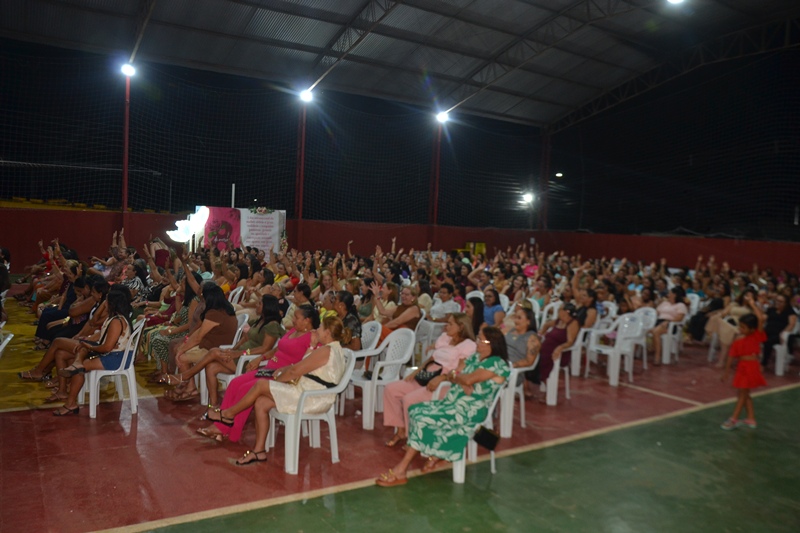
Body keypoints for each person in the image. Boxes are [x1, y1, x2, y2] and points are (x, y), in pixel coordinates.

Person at [204, 315, 349, 465]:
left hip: (311, 398)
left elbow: (295, 371)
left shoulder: (326, 350)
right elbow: (303, 365)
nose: (317, 330)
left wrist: (276, 381)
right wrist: (310, 347)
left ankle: (228, 414)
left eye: (320, 328)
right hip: (308, 393)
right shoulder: (333, 349)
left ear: (327, 333)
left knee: (261, 385)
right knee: (261, 402)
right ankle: (259, 451)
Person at [375, 326, 509, 486]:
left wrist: (461, 378)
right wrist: (459, 378)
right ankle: (438, 454)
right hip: (452, 402)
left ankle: (401, 469)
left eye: (481, 340)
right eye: (477, 338)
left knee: (423, 418)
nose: (477, 342)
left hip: (470, 409)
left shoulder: (497, 364)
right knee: (415, 410)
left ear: (492, 344)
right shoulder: (475, 357)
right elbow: (455, 374)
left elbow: (466, 378)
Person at [196, 305, 318, 442]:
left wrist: (286, 369)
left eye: (296, 317)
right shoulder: (293, 331)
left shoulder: (312, 338)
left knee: (245, 389)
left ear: (307, 320)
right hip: (268, 369)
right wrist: (261, 358)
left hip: (281, 376)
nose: (293, 320)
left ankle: (225, 429)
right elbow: (277, 349)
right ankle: (222, 426)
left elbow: (309, 363)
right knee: (235, 383)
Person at [382, 313, 476, 448]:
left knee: (409, 400)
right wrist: (417, 370)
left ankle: (412, 438)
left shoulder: (468, 345)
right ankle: (401, 430)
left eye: (451, 324)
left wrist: (442, 378)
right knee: (391, 389)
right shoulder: (445, 338)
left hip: (446, 382)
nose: (447, 326)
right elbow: (432, 358)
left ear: (461, 327)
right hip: (428, 375)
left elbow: (460, 370)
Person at [52, 286, 133, 416]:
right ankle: (68, 384)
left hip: (117, 358)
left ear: (112, 304)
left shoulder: (116, 322)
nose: (104, 304)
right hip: (114, 354)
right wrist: (88, 343)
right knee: (62, 353)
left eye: (106, 301)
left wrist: (90, 347)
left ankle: (70, 403)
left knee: (80, 367)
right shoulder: (115, 318)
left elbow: (107, 347)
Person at [167, 284, 238, 401]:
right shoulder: (225, 309)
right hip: (213, 346)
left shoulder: (215, 314)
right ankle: (188, 386)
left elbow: (198, 338)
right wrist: (184, 345)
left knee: (182, 358)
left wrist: (181, 351)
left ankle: (190, 388)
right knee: (181, 350)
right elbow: (198, 332)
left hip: (214, 349)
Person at [720, 300, 767, 430]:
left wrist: (752, 304)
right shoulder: (738, 339)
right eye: (740, 326)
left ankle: (733, 419)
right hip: (742, 367)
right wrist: (726, 372)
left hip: (751, 367)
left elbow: (760, 318)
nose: (740, 329)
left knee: (742, 394)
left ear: (752, 329)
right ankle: (750, 418)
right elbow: (731, 356)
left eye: (743, 327)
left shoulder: (756, 336)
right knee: (744, 393)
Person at [537, 303, 579, 387]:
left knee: (542, 358)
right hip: (547, 347)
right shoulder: (558, 321)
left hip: (560, 352)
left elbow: (570, 342)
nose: (558, 311)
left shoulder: (572, 323)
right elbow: (546, 325)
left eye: (560, 309)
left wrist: (560, 347)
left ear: (566, 312)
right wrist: (541, 333)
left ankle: (548, 384)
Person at [650, 287, 688, 365]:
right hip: (659, 321)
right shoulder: (665, 303)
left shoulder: (680, 305)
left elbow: (680, 318)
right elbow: (656, 313)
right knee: (645, 330)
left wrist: (668, 322)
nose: (668, 294)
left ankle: (657, 356)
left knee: (656, 332)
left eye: (670, 293)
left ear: (675, 295)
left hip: (671, 324)